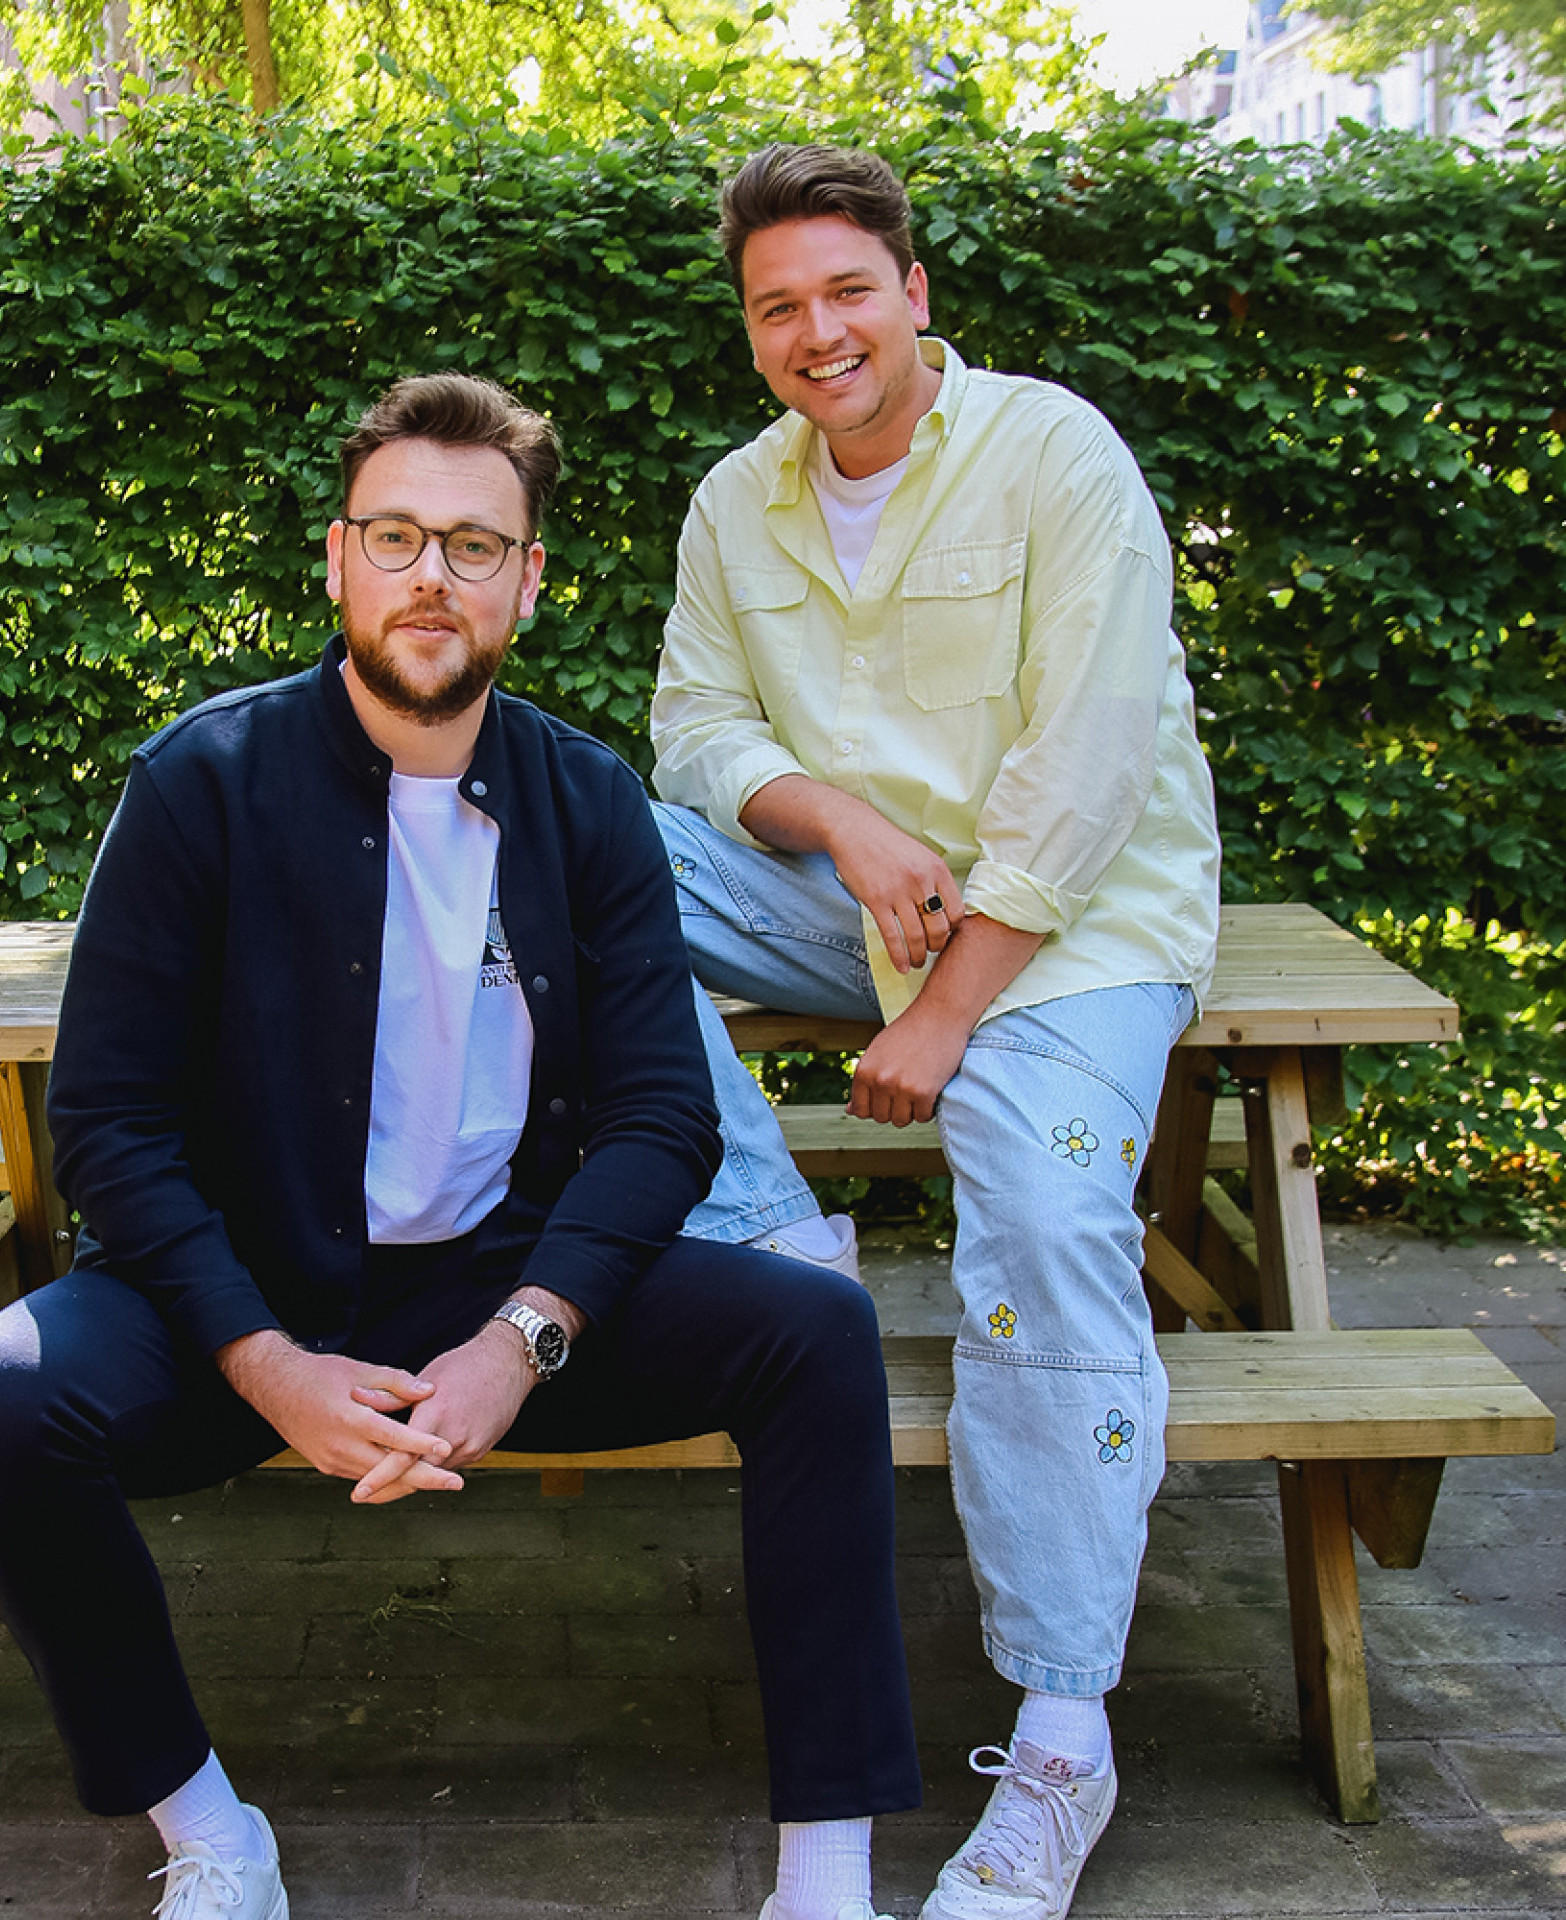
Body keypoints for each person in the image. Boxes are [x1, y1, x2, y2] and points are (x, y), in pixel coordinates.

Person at [0, 372, 921, 1920]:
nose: (431, 577)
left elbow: (663, 1114)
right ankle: (208, 1831)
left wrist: (523, 1341)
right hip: (248, 1292)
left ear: (529, 580)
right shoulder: (201, 783)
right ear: (339, 560)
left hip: (498, 1289)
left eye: (474, 545)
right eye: (395, 537)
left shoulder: (588, 802)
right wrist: (265, 1362)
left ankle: (827, 1878)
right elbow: (109, 1121)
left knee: (818, 1334)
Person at [652, 146, 1223, 1920]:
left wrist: (952, 1008)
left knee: (1043, 1219)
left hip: (1069, 930)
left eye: (846, 290)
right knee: (576, 849)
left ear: (912, 292)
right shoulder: (736, 501)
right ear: (753, 333)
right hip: (858, 903)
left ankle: (1062, 1739)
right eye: (778, 308)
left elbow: (1092, 765)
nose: (817, 332)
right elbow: (692, 730)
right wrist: (841, 824)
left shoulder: (1057, 452)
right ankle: (775, 1238)